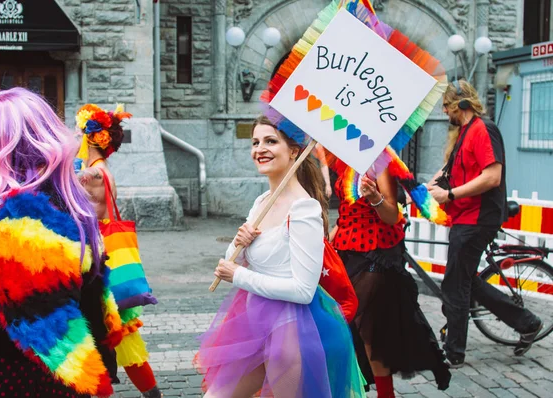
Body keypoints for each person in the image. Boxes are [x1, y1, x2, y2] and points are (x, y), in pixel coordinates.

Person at [0, 87, 121, 397]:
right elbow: (93, 303)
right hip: (59, 376)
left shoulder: (14, 219)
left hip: (3, 379)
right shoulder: (67, 205)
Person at [196, 116, 366, 397]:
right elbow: (234, 259)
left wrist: (239, 275)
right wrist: (238, 243)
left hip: (289, 334)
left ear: (294, 151)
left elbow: (303, 290)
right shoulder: (261, 202)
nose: (259, 149)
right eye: (255, 142)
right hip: (252, 326)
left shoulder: (303, 210)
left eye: (270, 141)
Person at [427, 79, 542, 367]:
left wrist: (450, 193)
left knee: (456, 284)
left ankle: (454, 351)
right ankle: (526, 322)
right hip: (465, 217)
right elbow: (451, 167)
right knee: (464, 281)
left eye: (446, 105)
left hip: (478, 219)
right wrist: (430, 186)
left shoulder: (483, 129)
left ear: (460, 104)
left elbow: (492, 177)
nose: (444, 111)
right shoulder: (465, 132)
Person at [329, 154, 451, 397]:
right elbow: (347, 212)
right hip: (346, 250)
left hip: (374, 253)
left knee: (357, 328)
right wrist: (331, 238)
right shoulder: (345, 160)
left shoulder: (379, 162)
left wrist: (375, 197)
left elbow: (391, 216)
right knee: (360, 332)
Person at [75, 103, 162, 398]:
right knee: (117, 335)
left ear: (91, 137)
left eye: (79, 132)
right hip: (100, 259)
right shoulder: (98, 170)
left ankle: (151, 393)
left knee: (110, 333)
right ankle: (152, 394)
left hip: (99, 262)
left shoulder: (92, 174)